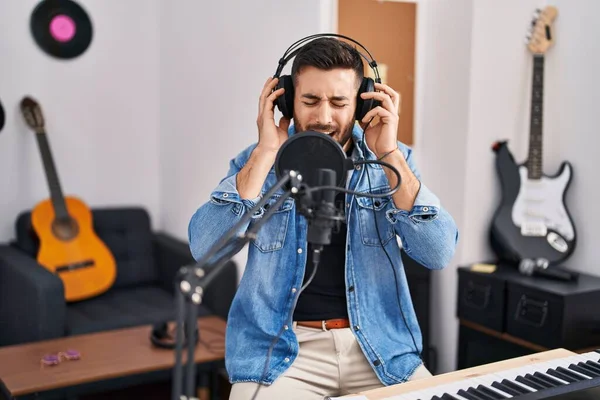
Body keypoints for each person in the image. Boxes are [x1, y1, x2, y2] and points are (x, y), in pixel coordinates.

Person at [188, 36, 459, 400]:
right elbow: (204, 247)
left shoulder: (392, 164)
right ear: (286, 99)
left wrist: (389, 153)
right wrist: (267, 152)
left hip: (380, 351)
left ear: (362, 103)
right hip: (282, 356)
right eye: (311, 101)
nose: (324, 117)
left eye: (338, 102)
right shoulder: (258, 164)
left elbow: (438, 252)